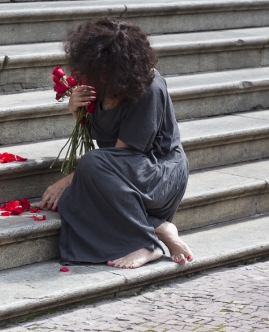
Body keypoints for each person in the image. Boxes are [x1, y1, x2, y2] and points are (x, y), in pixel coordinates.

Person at [40, 17, 193, 269]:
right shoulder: (100, 82)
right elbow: (100, 135)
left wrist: (68, 179)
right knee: (71, 200)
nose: (98, 74)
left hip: (157, 173)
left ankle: (148, 245)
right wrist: (75, 110)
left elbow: (121, 154)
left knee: (89, 167)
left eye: (105, 69)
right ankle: (158, 226)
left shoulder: (149, 88)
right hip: (123, 171)